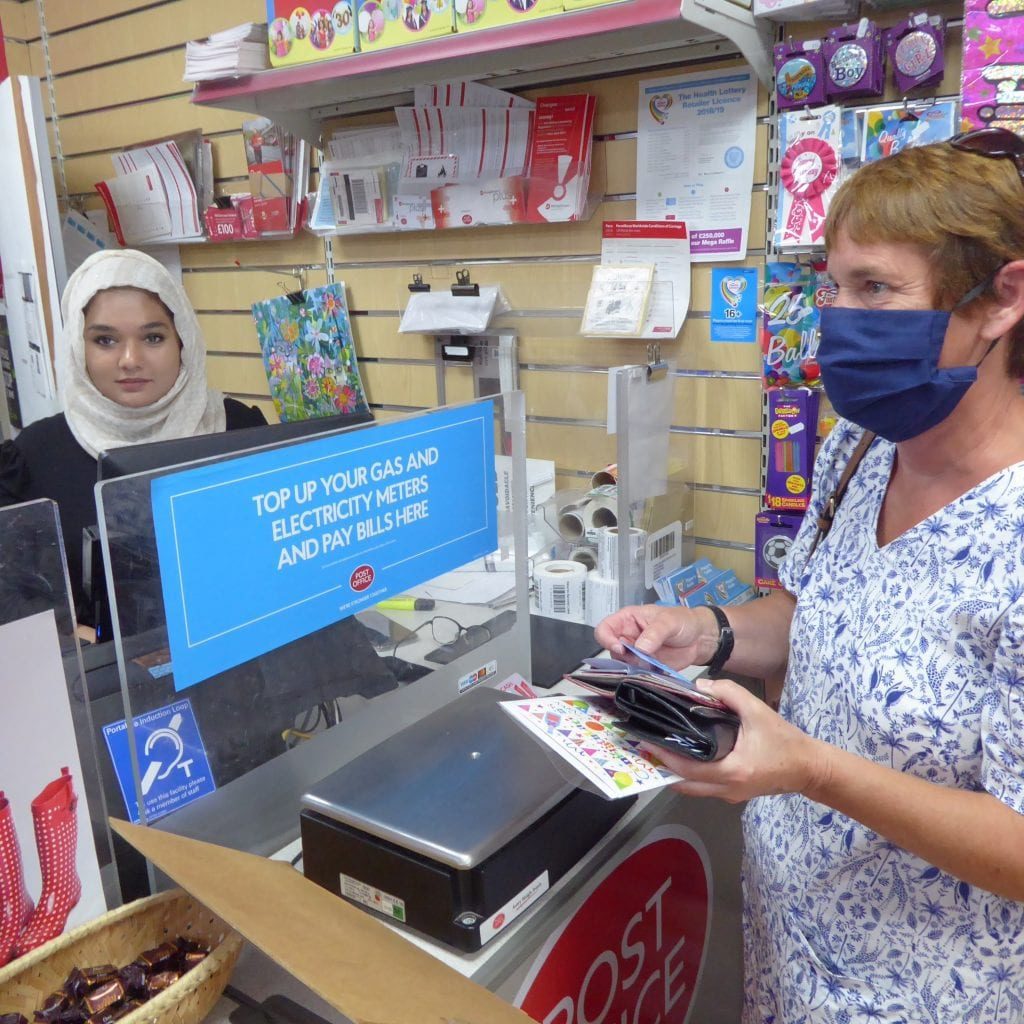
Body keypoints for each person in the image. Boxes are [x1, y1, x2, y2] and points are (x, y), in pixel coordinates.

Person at [596, 128, 1024, 1024]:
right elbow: (818, 607)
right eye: (834, 285)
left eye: (877, 288)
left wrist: (810, 771)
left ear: (1003, 299)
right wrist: (709, 632)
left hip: (931, 995)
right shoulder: (861, 447)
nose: (838, 317)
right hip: (789, 948)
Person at [0, 249, 266, 627]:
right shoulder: (34, 456)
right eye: (105, 341)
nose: (130, 359)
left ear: (183, 341)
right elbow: (10, 591)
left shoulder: (239, 429)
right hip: (99, 679)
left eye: (153, 337)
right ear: (78, 347)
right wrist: (68, 635)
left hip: (242, 665)